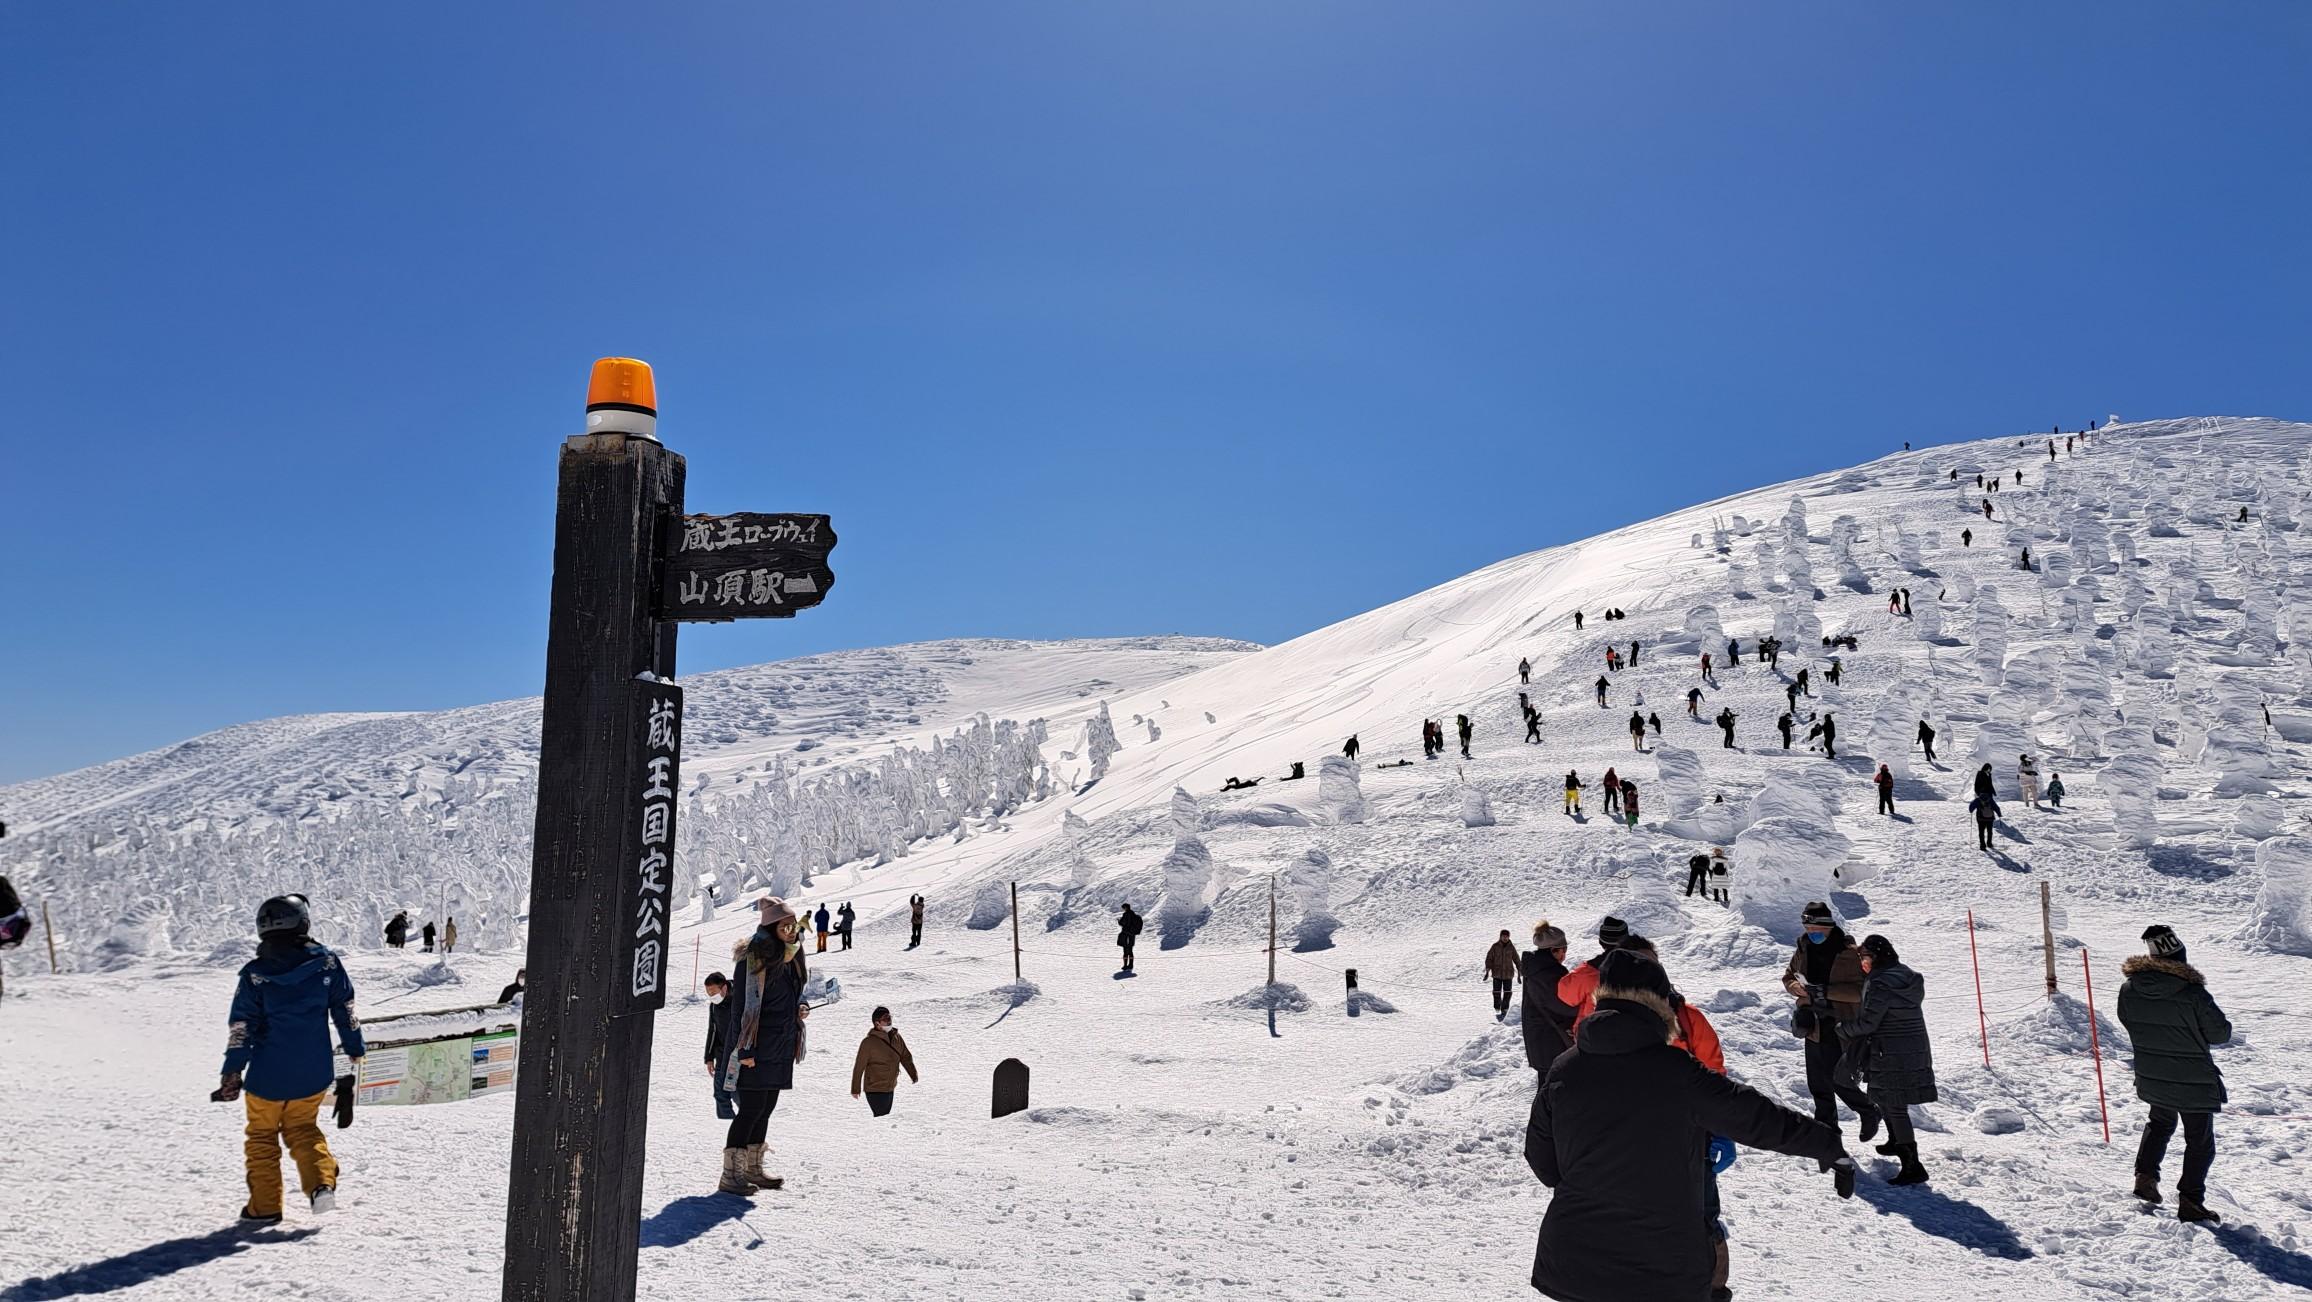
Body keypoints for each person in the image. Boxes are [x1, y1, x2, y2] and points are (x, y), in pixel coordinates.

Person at [1525, 950, 1851, 1302]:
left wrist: (1589, 1185)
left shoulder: (1564, 1068)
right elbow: (1756, 1117)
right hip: (1659, 1267)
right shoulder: (1677, 1071)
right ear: (1659, 1006)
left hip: (1574, 1262)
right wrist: (1827, 1144)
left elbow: (1540, 1156)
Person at [218, 894, 365, 1222]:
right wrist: (354, 1047)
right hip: (312, 1073)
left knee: (262, 1137)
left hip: (267, 1078)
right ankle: (321, 1184)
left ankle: (265, 1207)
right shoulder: (327, 964)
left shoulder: (255, 975)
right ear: (304, 922)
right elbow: (346, 1010)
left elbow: (241, 1028)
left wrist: (231, 1071)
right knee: (302, 1128)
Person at [2119, 925, 2231, 1222]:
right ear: (2179, 958)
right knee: (2199, 1140)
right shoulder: (2193, 993)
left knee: (2159, 1123)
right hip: (2192, 1078)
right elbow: (2220, 1034)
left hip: (2153, 1071)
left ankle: (2145, 1180)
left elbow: (2127, 1021)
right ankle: (2191, 1201)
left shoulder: (2130, 988)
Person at [717, 897, 811, 1196]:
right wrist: (744, 1051)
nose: (792, 930)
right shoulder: (753, 959)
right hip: (755, 1046)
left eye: (793, 925)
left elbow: (791, 995)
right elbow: (742, 1008)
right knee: (751, 1109)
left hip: (779, 1044)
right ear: (771, 927)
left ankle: (753, 1170)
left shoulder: (791, 955)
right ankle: (731, 1175)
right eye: (785, 926)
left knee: (766, 1108)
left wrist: (801, 1007)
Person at [1781, 902, 1880, 1147]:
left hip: (1842, 1024)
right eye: (1807, 927)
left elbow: (1861, 991)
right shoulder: (1803, 947)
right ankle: (1826, 1136)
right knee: (1818, 1083)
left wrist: (1827, 991)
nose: (1811, 932)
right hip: (1813, 1025)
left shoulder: (1850, 953)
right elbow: (1788, 976)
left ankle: (1868, 1111)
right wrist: (1799, 989)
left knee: (1840, 1080)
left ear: (1828, 927)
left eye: (1815, 928)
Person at [1839, 934, 1935, 1185]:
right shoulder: (1907, 976)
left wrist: (1842, 1029)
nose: (1863, 963)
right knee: (1886, 1098)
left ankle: (1912, 1165)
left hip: (1890, 1051)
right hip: (1912, 1048)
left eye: (1865, 957)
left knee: (1894, 1105)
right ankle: (1896, 1142)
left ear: (1877, 956)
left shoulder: (1881, 983)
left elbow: (1869, 1022)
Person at [1521, 922, 1578, 1070]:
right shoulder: (1549, 973)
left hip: (1541, 1039)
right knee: (1553, 1087)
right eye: (1563, 950)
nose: (1564, 954)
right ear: (1553, 950)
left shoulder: (1537, 968)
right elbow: (1564, 1005)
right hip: (1551, 1041)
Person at [1555, 916, 1630, 1027]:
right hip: (1641, 1033)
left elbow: (1565, 994)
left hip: (1596, 1034)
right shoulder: (1646, 965)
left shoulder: (1589, 973)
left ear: (1601, 942)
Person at [850, 1006, 919, 1117]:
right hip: (874, 1088)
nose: (889, 1020)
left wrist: (913, 1074)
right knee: (881, 1118)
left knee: (885, 1118)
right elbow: (859, 1066)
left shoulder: (896, 1037)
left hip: (890, 1087)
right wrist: (855, 1088)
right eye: (886, 1018)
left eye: (890, 1017)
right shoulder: (868, 1042)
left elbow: (905, 1056)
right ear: (877, 1023)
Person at [702, 971, 734, 1120]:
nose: (711, 996)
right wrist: (709, 1057)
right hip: (721, 1055)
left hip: (737, 1055)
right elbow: (712, 1030)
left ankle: (746, 1122)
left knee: (736, 1093)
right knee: (720, 1094)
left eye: (713, 992)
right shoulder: (714, 1006)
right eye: (708, 992)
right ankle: (726, 1124)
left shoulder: (739, 999)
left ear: (724, 988)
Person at [1485, 929, 1520, 1021]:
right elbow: (1489, 958)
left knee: (1507, 992)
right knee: (1496, 992)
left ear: (1509, 937)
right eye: (1503, 936)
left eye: (1507, 936)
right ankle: (1497, 1006)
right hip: (1497, 973)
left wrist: (1520, 969)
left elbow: (1516, 959)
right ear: (1500, 936)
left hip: (1508, 974)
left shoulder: (1511, 947)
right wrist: (1488, 968)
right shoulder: (1495, 946)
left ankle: (1505, 1009)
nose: (1505, 938)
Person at [1116, 903, 1143, 972]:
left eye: (1123, 908)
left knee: (1125, 950)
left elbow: (1123, 923)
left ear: (1125, 908)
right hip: (1132, 935)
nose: (1123, 909)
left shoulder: (1126, 914)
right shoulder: (1134, 915)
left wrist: (1119, 921)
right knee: (1130, 950)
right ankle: (1131, 965)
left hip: (1126, 935)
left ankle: (1125, 965)